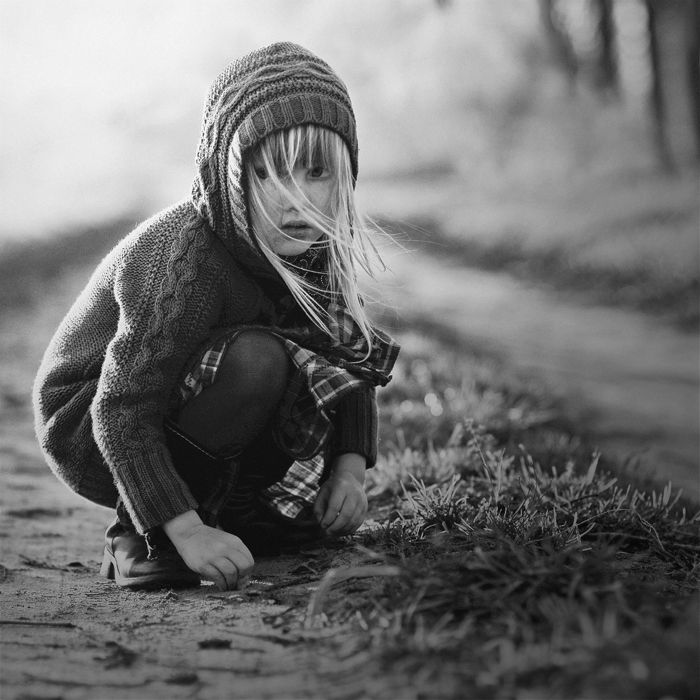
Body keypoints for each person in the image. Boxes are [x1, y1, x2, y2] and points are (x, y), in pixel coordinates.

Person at [32, 42, 400, 592]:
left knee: (303, 358)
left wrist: (348, 470)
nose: (298, 199)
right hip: (96, 418)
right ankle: (140, 532)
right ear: (230, 176)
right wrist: (184, 531)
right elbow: (122, 408)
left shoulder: (312, 249)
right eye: (271, 175)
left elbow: (346, 359)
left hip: (187, 404)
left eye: (318, 172)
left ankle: (235, 512)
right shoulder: (182, 259)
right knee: (257, 360)